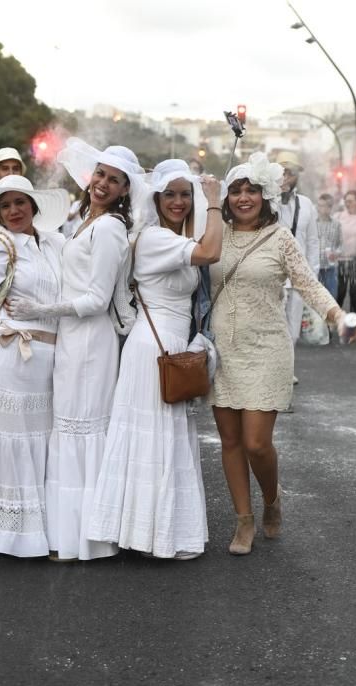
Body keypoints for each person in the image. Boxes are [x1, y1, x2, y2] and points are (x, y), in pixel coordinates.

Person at [209, 152, 356, 556]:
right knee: (229, 440)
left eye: (252, 190)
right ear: (226, 198)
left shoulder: (280, 237)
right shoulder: (214, 234)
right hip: (223, 349)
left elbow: (308, 284)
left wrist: (337, 314)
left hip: (267, 348)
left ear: (265, 196)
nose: (244, 198)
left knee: (257, 443)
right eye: (236, 191)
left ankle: (272, 499)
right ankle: (244, 521)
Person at [7, 138, 146, 561]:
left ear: (125, 189)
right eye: (100, 175)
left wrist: (41, 308)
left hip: (91, 342)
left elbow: (97, 300)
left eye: (114, 180)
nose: (103, 183)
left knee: (83, 429)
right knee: (67, 429)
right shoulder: (85, 219)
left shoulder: (108, 229)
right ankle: (68, 534)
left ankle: (90, 539)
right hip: (70, 340)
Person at [88, 159, 222, 560]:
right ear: (156, 198)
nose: (178, 202)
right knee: (154, 439)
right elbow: (211, 252)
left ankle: (152, 533)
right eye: (170, 194)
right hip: (154, 347)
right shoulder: (154, 239)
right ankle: (147, 536)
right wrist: (214, 202)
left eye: (185, 194)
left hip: (169, 343)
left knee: (163, 439)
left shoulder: (171, 237)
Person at [0, 175, 70, 557]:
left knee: (40, 442)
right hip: (9, 354)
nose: (14, 211)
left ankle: (38, 531)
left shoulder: (53, 244)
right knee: (9, 443)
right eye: (5, 206)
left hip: (46, 360)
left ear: (34, 206)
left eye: (20, 202)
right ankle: (5, 534)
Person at [276, 151, 319, 388]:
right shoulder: (266, 202)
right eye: (281, 172)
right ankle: (274, 370)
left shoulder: (306, 204)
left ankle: (287, 369)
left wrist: (313, 275)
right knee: (274, 326)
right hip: (272, 277)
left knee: (293, 329)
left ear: (297, 177)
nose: (285, 177)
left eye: (290, 173)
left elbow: (312, 242)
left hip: (299, 278)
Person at [334, 190, 356, 314]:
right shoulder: (338, 216)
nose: (347, 204)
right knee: (339, 293)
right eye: (346, 201)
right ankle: (333, 324)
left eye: (350, 201)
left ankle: (353, 325)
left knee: (355, 294)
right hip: (340, 262)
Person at [316, 193, 342, 299]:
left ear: (330, 207)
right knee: (315, 300)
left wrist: (336, 253)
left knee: (331, 298)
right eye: (319, 205)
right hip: (315, 267)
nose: (320, 208)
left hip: (330, 267)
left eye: (323, 205)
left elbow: (341, 245)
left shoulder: (337, 224)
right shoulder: (312, 223)